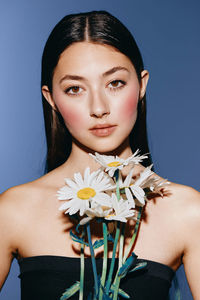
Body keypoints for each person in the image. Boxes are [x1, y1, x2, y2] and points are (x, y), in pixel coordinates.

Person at [0, 10, 199, 300]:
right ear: (51, 98)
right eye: (75, 89)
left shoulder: (187, 212)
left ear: (141, 85)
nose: (98, 107)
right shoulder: (14, 210)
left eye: (115, 83)